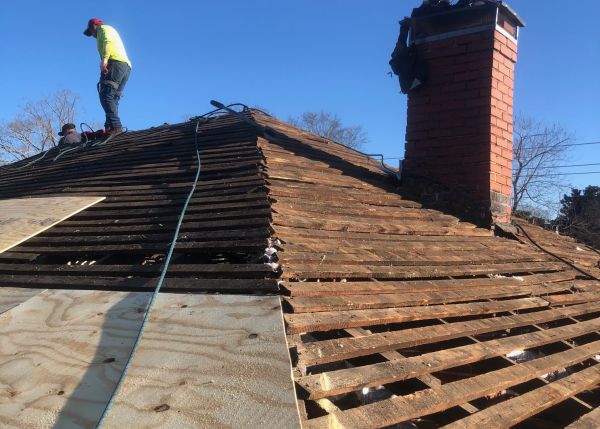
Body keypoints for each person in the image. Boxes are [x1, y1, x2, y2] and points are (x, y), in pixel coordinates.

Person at [83, 18, 131, 136]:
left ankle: (115, 126)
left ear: (94, 26)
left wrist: (104, 61)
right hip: (125, 67)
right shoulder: (110, 30)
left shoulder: (104, 29)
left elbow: (108, 42)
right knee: (113, 97)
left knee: (106, 95)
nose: (92, 36)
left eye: (91, 32)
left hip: (114, 63)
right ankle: (110, 126)